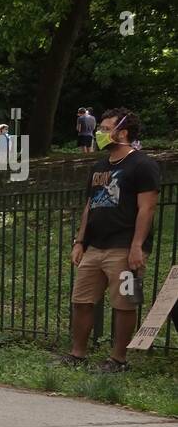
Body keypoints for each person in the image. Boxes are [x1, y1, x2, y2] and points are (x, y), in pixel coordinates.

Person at [61, 108, 160, 372]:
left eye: (105, 128)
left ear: (123, 132)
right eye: (101, 128)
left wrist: (137, 246)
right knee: (81, 300)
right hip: (95, 247)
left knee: (125, 304)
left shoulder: (142, 165)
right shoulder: (99, 166)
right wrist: (79, 241)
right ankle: (77, 354)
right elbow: (89, 205)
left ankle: (119, 359)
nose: (100, 133)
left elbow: (147, 208)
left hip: (125, 248)